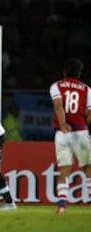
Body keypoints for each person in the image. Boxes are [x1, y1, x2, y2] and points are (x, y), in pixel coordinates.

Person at [49, 58, 91, 214]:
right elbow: (89, 114)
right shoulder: (87, 89)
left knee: (64, 170)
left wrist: (63, 124)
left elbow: (58, 105)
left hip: (62, 133)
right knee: (88, 168)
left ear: (64, 72)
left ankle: (61, 205)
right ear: (79, 73)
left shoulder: (56, 86)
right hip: (80, 132)